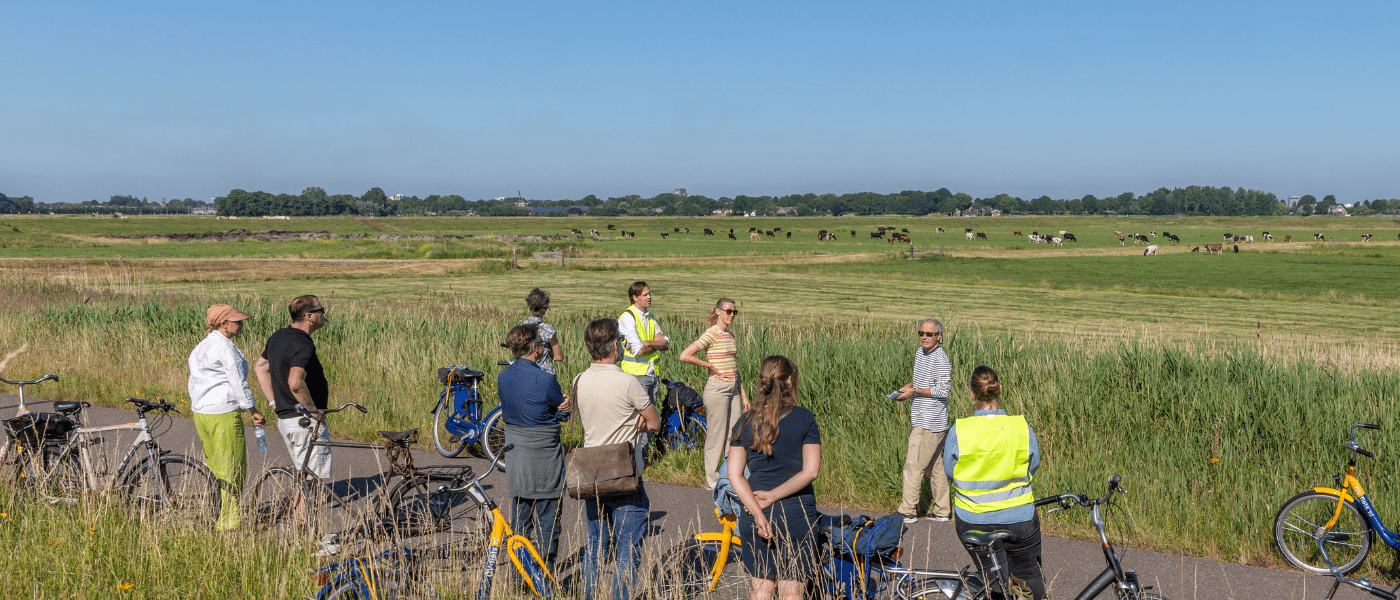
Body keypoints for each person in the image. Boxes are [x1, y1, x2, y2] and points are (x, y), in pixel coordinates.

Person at [575, 318, 661, 600]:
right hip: (624, 472)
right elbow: (654, 423)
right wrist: (638, 420)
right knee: (627, 548)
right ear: (615, 346)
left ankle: (588, 594)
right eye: (621, 343)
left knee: (595, 546)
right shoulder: (628, 382)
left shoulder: (580, 379)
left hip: (591, 473)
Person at [943, 366, 1044, 600]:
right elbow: (1033, 464)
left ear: (971, 394)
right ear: (1000, 389)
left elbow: (951, 471)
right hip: (1019, 517)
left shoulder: (959, 430)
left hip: (973, 518)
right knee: (1029, 576)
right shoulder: (1020, 426)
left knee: (992, 580)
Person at [728, 355, 821, 600]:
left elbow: (734, 475)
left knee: (761, 590)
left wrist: (758, 513)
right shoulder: (804, 418)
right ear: (790, 381)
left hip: (754, 509)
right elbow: (811, 471)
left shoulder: (745, 420)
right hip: (796, 511)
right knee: (792, 592)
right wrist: (774, 496)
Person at [497, 323, 570, 567]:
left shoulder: (503, 376)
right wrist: (564, 408)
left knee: (520, 519)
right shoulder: (546, 379)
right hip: (544, 456)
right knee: (548, 520)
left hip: (517, 456)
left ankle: (520, 574)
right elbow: (561, 413)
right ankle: (546, 574)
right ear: (535, 348)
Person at [187, 303, 265, 530]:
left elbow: (194, 381)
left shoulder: (200, 347)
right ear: (223, 324)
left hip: (202, 412)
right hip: (223, 411)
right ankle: (229, 521)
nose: (241, 325)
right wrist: (252, 410)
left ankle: (217, 512)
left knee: (215, 468)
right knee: (232, 467)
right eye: (237, 321)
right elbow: (238, 383)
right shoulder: (225, 349)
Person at [254, 295, 332, 480]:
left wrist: (274, 402)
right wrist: (314, 412)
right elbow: (296, 383)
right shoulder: (304, 344)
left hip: (285, 419)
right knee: (313, 478)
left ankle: (297, 508)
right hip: (304, 422)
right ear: (309, 316)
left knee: (303, 474)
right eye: (321, 310)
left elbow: (260, 367)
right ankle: (302, 510)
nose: (324, 313)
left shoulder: (278, 336)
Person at [679, 297, 750, 489]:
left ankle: (729, 476)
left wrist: (743, 394)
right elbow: (685, 355)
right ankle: (712, 481)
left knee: (734, 435)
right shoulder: (711, 333)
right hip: (717, 389)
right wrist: (708, 365)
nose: (732, 315)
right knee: (716, 436)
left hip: (733, 389)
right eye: (728, 311)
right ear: (718, 311)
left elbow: (735, 367)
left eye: (734, 312)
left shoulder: (730, 336)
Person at [894, 317, 953, 524]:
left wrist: (915, 391)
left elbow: (943, 390)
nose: (924, 338)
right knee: (933, 467)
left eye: (929, 334)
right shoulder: (921, 353)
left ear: (939, 336)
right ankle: (942, 511)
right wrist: (906, 387)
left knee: (913, 465)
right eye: (921, 333)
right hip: (920, 417)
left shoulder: (941, 359)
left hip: (931, 421)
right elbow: (917, 379)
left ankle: (907, 510)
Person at [617, 281, 669, 405]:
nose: (649, 297)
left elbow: (665, 344)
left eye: (649, 294)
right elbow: (639, 350)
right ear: (635, 298)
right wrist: (656, 344)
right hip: (634, 376)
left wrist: (647, 343)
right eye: (645, 295)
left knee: (650, 419)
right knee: (638, 418)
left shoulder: (650, 317)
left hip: (652, 374)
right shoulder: (627, 318)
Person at [521, 288, 563, 376]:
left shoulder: (520, 328)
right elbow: (558, 357)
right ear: (546, 308)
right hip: (545, 374)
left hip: (524, 373)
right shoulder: (548, 330)